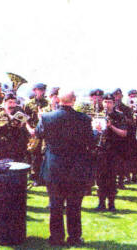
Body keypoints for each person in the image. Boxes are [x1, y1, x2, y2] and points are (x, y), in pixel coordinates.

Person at [34, 90, 93, 246]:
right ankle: (74, 237)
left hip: (54, 167)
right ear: (74, 100)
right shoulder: (84, 119)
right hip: (76, 167)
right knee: (74, 205)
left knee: (55, 205)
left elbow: (38, 134)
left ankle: (56, 237)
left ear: (58, 100)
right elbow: (91, 142)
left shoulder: (47, 117)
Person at [95, 93, 127, 212]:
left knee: (112, 178)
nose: (107, 104)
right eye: (105, 102)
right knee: (100, 178)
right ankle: (101, 202)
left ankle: (111, 203)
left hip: (113, 150)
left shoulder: (119, 116)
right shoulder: (99, 114)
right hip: (100, 149)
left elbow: (124, 133)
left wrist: (111, 126)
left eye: (109, 102)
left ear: (113, 103)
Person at [0, 92, 30, 162]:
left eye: (14, 103)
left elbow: (17, 124)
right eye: (10, 102)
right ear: (4, 103)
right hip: (1, 150)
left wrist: (7, 113)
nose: (12, 105)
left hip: (16, 150)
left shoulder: (19, 113)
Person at [25, 83, 49, 185]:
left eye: (43, 90)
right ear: (34, 91)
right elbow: (25, 118)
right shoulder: (29, 104)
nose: (41, 92)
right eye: (39, 90)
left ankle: (43, 177)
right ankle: (35, 177)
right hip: (33, 131)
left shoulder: (47, 103)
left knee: (44, 154)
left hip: (45, 131)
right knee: (34, 154)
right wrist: (30, 129)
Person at [112, 88, 133, 188]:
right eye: (115, 95)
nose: (117, 97)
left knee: (122, 160)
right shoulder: (109, 107)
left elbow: (131, 122)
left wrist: (123, 116)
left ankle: (121, 181)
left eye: (119, 95)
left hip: (123, 138)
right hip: (112, 138)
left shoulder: (126, 109)